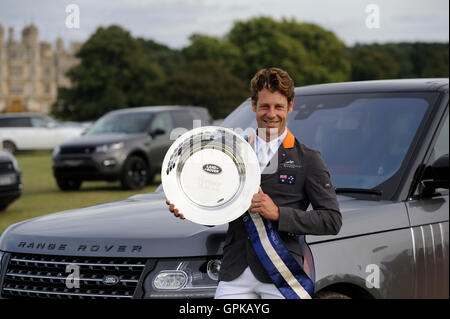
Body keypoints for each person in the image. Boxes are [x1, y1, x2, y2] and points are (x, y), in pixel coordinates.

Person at [166, 67, 342, 299]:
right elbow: (219, 208)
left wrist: (278, 213)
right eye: (265, 106)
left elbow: (331, 220)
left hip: (281, 274)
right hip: (234, 273)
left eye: (278, 107)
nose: (271, 114)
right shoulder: (230, 153)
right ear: (253, 105)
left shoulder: (308, 158)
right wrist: (191, 209)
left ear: (290, 106)